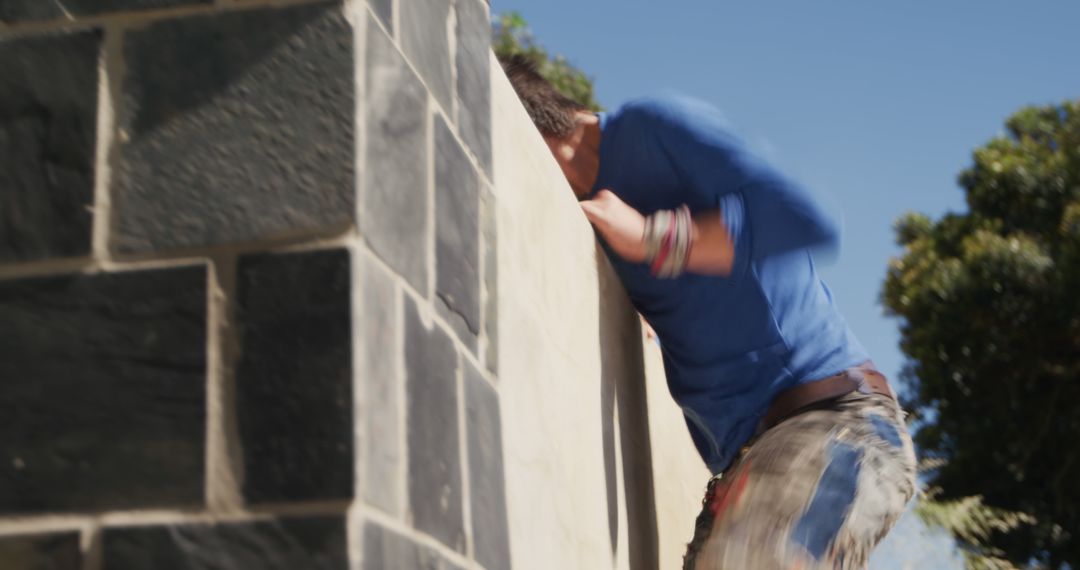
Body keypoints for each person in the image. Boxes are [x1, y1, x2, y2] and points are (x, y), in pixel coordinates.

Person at [500, 54, 917, 570]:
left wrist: (653, 238)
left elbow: (805, 217)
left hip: (834, 427)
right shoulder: (596, 228)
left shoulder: (650, 126)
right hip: (744, 467)